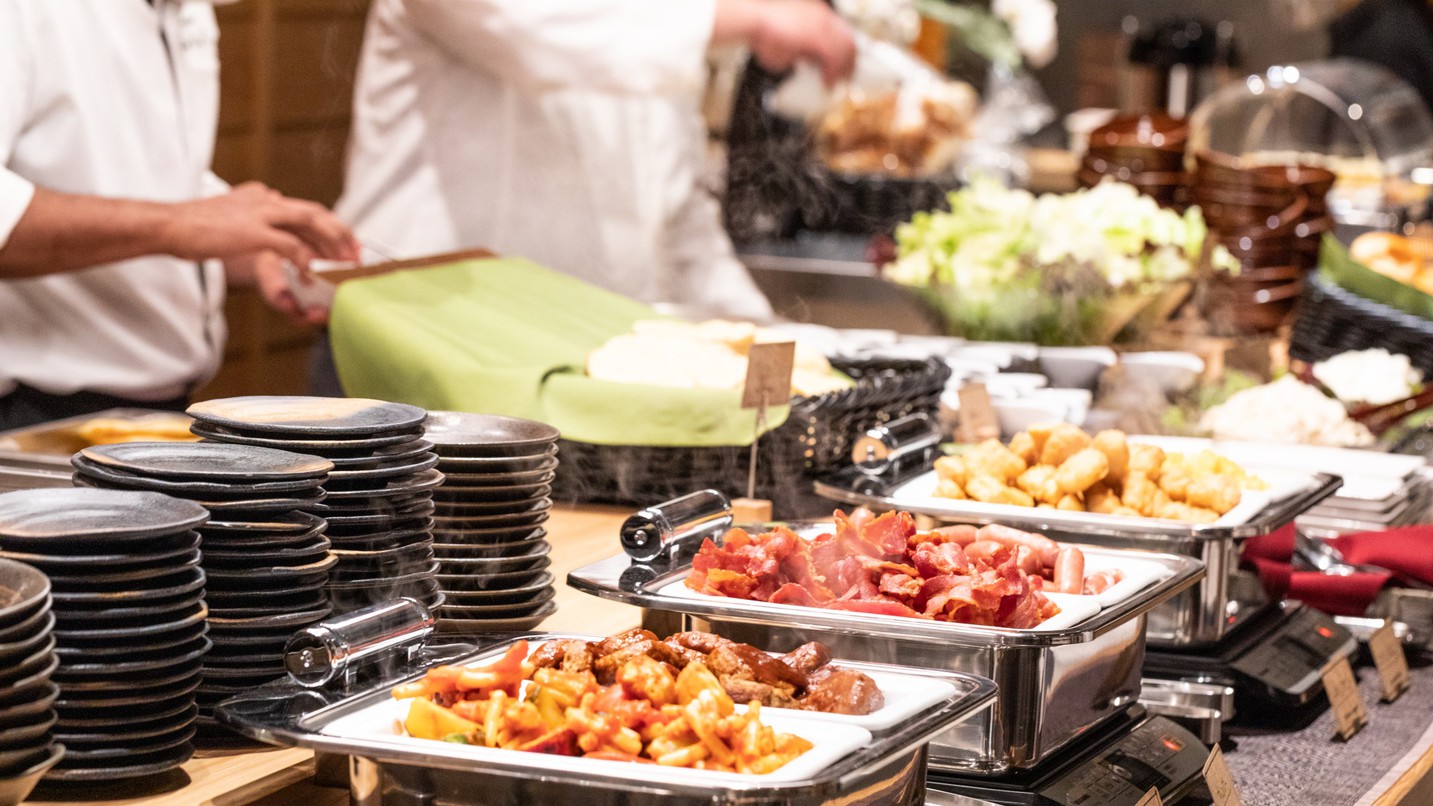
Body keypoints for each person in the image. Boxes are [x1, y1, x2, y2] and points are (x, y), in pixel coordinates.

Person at [335, 0, 856, 323]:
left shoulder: (645, 20)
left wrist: (768, 340)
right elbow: (524, 27)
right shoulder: (642, 22)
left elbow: (677, 220)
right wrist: (749, 15)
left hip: (570, 364)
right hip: (414, 338)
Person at [0, 0, 359, 430]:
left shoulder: (186, 8)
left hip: (152, 408)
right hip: (29, 411)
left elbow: (152, 177)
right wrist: (178, 224)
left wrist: (256, 248)